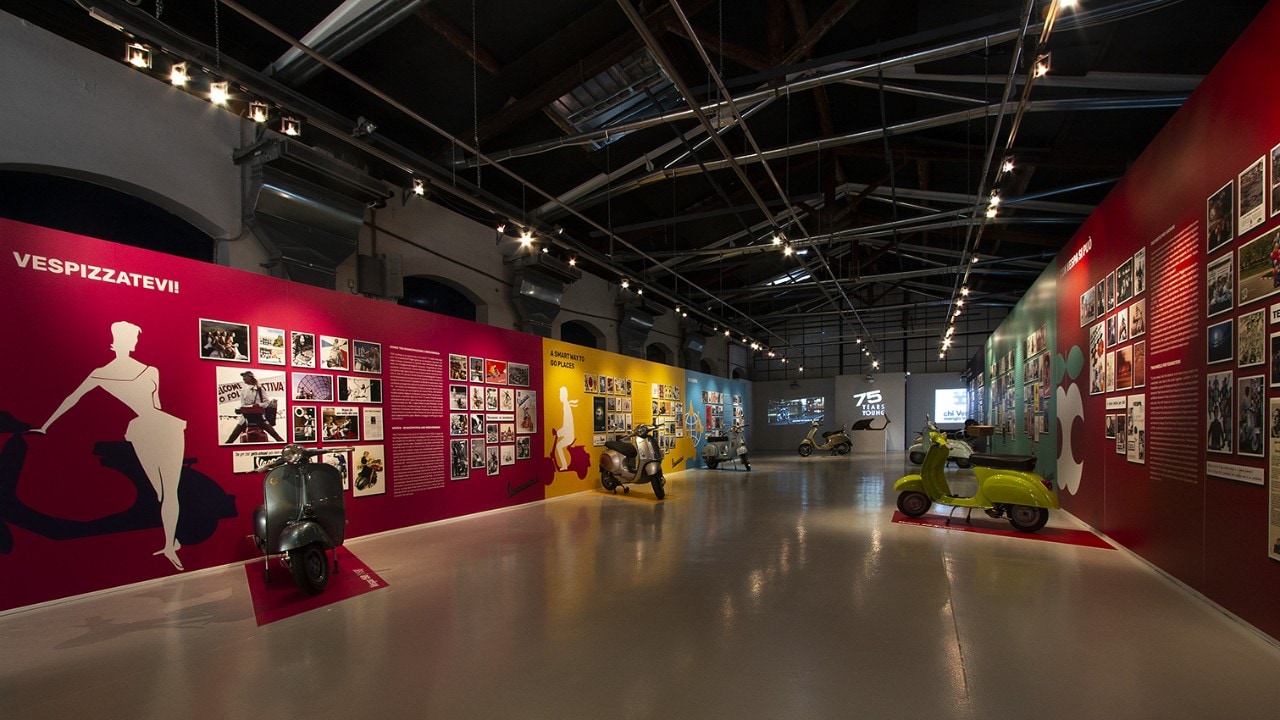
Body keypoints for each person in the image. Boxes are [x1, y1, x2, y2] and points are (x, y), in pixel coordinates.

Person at [36, 321, 188, 571]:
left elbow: (157, 405)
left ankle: (170, 545)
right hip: (147, 430)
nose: (136, 343)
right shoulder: (103, 373)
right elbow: (73, 398)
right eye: (134, 338)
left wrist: (45, 425)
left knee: (169, 491)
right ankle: (172, 540)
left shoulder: (148, 370)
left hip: (160, 428)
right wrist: (45, 425)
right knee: (160, 491)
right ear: (123, 340)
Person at [225, 371, 284, 443]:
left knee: (275, 435)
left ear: (250, 377)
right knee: (232, 438)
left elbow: (267, 402)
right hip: (246, 418)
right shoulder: (243, 390)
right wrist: (242, 409)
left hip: (259, 417)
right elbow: (242, 404)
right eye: (243, 377)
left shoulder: (260, 389)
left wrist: (258, 405)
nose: (244, 378)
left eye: (245, 376)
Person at [553, 386, 578, 471]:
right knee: (559, 446)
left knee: (558, 446)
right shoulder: (566, 405)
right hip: (568, 434)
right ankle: (564, 465)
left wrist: (559, 432)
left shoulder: (566, 407)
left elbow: (567, 424)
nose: (559, 396)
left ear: (563, 395)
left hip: (569, 435)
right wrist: (560, 432)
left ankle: (564, 465)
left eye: (560, 394)